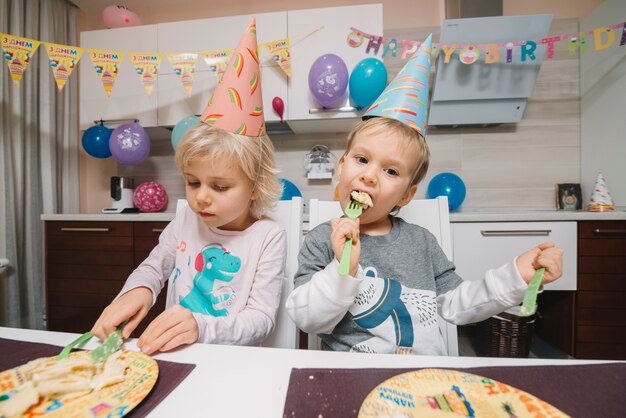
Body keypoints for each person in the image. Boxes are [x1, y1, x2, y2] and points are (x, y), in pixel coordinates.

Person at [285, 35, 564, 355]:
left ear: (406, 195)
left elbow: (458, 305)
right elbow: (306, 319)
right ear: (342, 166)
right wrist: (342, 269)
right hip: (351, 373)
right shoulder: (321, 240)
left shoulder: (422, 242)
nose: (369, 176)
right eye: (362, 160)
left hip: (425, 375)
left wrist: (517, 276)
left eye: (391, 171)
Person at [92, 18, 286, 354]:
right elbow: (155, 267)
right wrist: (137, 291)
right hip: (173, 356)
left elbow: (261, 319)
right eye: (193, 182)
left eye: (220, 187)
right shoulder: (186, 220)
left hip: (235, 361)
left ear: (255, 186)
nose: (201, 197)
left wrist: (202, 326)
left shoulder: (269, 237)